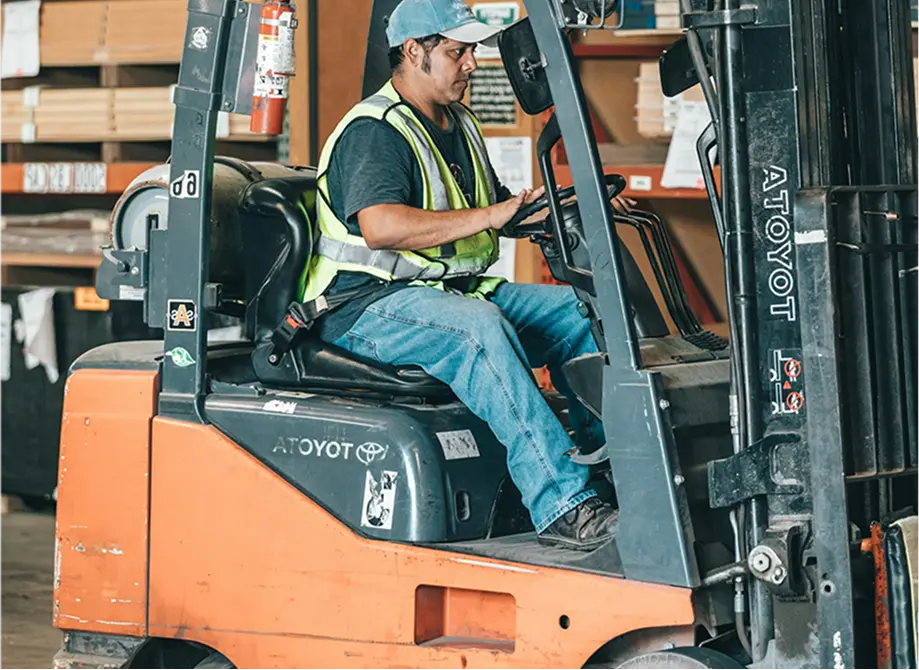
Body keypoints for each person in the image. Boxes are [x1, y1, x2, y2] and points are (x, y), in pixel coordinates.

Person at [299, 0, 635, 551]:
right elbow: (381, 226)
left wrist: (572, 207)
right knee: (478, 329)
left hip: (442, 293)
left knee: (581, 313)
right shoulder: (375, 130)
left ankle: (620, 478)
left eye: (472, 50)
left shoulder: (459, 123)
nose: (471, 63)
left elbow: (495, 209)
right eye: (457, 51)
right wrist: (492, 216)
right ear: (414, 52)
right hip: (362, 307)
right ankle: (563, 503)